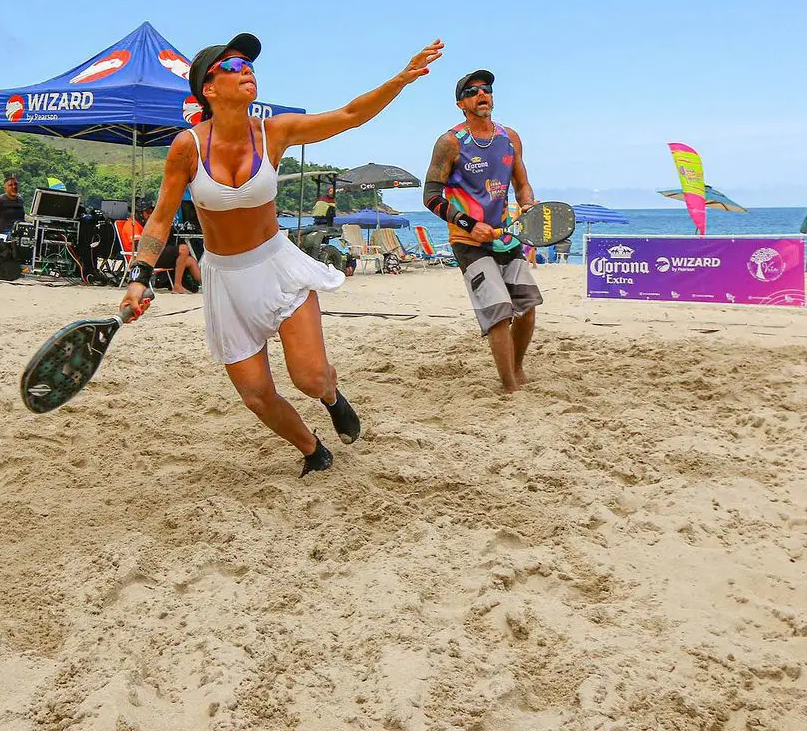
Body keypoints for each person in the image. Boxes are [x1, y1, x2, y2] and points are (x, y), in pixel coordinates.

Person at [121, 32, 443, 475]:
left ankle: (331, 396)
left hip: (276, 265)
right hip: (225, 280)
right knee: (255, 395)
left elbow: (350, 115)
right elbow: (159, 219)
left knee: (309, 378)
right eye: (233, 66)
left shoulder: (274, 132)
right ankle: (314, 450)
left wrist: (401, 79)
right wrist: (139, 277)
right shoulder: (187, 147)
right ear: (208, 89)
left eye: (249, 65)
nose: (246, 71)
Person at [422, 69, 542, 393]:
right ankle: (509, 387)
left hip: (506, 236)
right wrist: (469, 225)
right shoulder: (450, 143)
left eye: (486, 89)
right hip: (468, 240)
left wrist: (527, 203)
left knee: (528, 308)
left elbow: (522, 183)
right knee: (499, 312)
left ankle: (517, 367)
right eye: (472, 92)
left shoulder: (509, 137)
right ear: (461, 104)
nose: (481, 94)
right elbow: (430, 197)